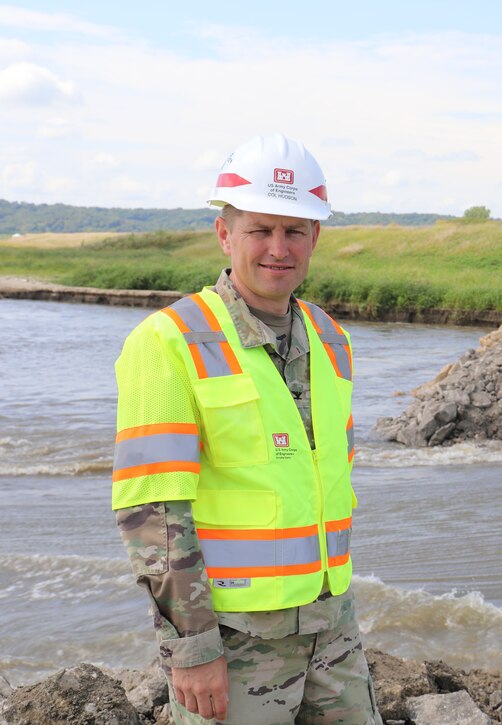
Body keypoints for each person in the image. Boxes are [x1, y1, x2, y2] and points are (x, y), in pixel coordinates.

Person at [112, 133, 382, 724]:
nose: (278, 249)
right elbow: (154, 511)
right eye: (261, 229)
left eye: (295, 231)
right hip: (235, 640)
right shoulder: (169, 340)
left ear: (316, 237)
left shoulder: (330, 336)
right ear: (225, 234)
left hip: (331, 627)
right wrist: (191, 648)